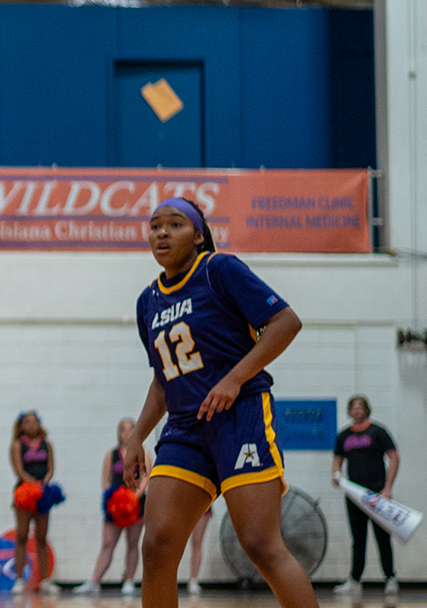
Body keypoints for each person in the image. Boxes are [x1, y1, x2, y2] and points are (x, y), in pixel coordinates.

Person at [130, 198, 317, 608]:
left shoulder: (219, 269)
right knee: (157, 546)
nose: (161, 233)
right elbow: (163, 381)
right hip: (183, 428)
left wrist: (234, 378)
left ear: (198, 236)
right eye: (154, 226)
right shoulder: (148, 302)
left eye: (175, 225)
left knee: (259, 543)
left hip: (241, 416)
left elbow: (286, 322)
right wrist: (136, 437)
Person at [331, 396, 400, 597]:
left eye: (360, 406)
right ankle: (355, 580)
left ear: (367, 410)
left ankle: (390, 578)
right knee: (358, 538)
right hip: (355, 496)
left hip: (378, 494)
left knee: (382, 537)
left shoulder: (378, 432)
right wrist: (336, 475)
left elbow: (394, 457)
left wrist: (387, 487)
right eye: (353, 407)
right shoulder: (343, 435)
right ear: (349, 410)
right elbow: (337, 460)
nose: (357, 410)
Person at [76, 419, 149, 595]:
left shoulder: (143, 453)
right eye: (123, 429)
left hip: (135, 503)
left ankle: (129, 581)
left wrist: (133, 497)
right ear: (119, 432)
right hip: (114, 505)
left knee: (133, 543)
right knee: (108, 543)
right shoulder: (112, 453)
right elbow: (105, 479)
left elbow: (146, 478)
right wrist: (114, 500)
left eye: (131, 429)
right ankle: (94, 581)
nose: (127, 433)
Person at [9, 412, 56, 594]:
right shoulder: (17, 445)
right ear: (20, 426)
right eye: (27, 422)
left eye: (34, 421)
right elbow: (18, 470)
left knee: (42, 537)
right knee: (21, 535)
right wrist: (31, 484)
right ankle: (19, 579)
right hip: (24, 492)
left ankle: (45, 580)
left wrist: (43, 484)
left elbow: (51, 468)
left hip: (43, 492)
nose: (31, 425)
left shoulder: (47, 444)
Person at [183, 509, 211, 595]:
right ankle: (168, 580)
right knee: (173, 544)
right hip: (182, 504)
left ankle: (193, 581)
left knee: (197, 543)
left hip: (203, 506)